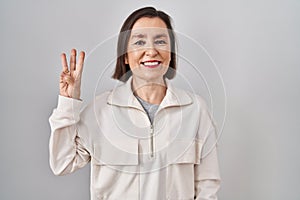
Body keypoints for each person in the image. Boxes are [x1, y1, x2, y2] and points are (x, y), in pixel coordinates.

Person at [49, 6, 221, 200]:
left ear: (171, 53)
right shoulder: (100, 111)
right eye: (140, 42)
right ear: (125, 56)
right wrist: (68, 102)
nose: (151, 50)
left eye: (160, 41)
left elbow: (208, 184)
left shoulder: (196, 110)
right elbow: (62, 163)